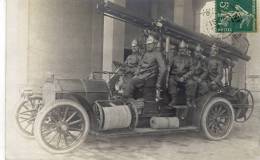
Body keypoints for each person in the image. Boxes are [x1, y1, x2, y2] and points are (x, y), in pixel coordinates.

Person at [123, 35, 166, 101]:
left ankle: (128, 99)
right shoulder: (145, 54)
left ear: (154, 44)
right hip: (141, 76)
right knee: (130, 80)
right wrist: (136, 74)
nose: (148, 46)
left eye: (150, 44)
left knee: (131, 82)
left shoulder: (157, 54)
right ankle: (128, 99)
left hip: (149, 77)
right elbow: (140, 65)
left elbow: (163, 69)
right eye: (147, 44)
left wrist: (158, 83)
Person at [168, 40, 196, 107]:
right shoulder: (174, 58)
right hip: (175, 77)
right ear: (178, 49)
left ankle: (188, 101)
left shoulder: (190, 59)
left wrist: (184, 77)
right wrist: (173, 77)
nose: (182, 50)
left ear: (186, 49)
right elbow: (169, 68)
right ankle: (173, 100)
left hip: (185, 78)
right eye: (180, 48)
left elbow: (192, 70)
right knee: (171, 81)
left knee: (191, 83)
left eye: (183, 48)